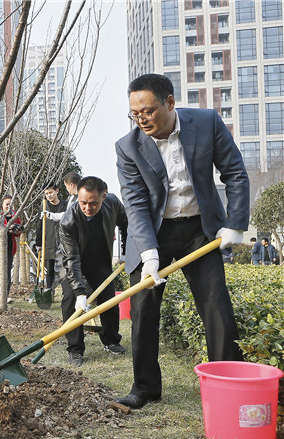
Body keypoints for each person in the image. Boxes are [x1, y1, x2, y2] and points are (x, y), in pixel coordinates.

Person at [115, 73, 249, 409]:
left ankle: (225, 381)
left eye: (147, 111)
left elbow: (234, 171)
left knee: (216, 306)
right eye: (135, 113)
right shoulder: (128, 147)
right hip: (153, 234)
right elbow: (136, 205)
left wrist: (234, 223)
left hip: (198, 231)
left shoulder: (206, 123)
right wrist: (148, 255)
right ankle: (145, 387)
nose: (141, 119)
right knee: (143, 308)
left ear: (169, 103)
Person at [59, 176, 128, 367]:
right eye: (83, 203)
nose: (87, 207)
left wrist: (126, 249)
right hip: (74, 263)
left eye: (93, 203)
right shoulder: (68, 221)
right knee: (70, 300)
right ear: (78, 197)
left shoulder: (113, 203)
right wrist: (80, 292)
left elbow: (126, 224)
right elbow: (71, 260)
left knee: (109, 300)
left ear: (103, 197)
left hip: (100, 261)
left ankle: (111, 340)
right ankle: (75, 349)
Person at [35, 182, 67, 290]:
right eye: (47, 193)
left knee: (64, 269)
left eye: (51, 192)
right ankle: (49, 291)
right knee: (49, 269)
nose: (49, 195)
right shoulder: (43, 207)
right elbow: (39, 226)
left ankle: (65, 291)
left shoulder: (65, 205)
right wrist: (38, 243)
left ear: (57, 191)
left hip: (63, 242)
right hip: (48, 242)